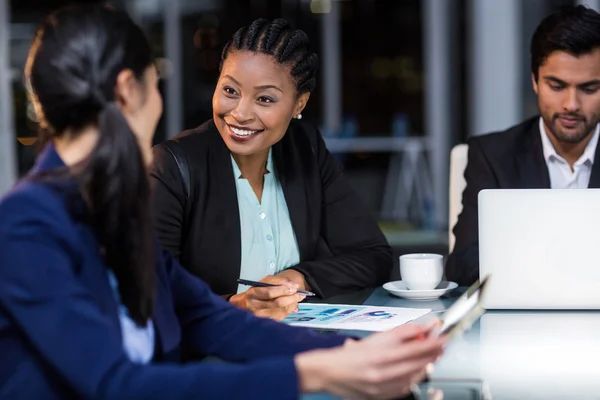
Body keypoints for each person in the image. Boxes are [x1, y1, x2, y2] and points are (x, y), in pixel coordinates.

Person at [0, 4, 446, 399]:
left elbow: (204, 316)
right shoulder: (26, 223)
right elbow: (116, 383)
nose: (160, 103)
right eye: (156, 85)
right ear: (126, 92)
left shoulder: (114, 201)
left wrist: (358, 352)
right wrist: (311, 373)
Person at [151, 18, 392, 320]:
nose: (239, 113)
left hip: (291, 344)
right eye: (230, 90)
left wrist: (297, 279)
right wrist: (237, 306)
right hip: (208, 356)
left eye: (264, 99)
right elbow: (151, 295)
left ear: (298, 104)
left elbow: (373, 255)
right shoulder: (172, 166)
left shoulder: (306, 150)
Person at [446, 5, 600, 286]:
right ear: (534, 81)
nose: (571, 105)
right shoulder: (492, 155)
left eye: (589, 89)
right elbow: (463, 264)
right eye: (556, 85)